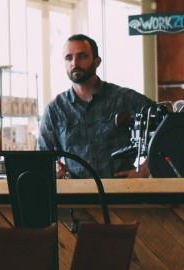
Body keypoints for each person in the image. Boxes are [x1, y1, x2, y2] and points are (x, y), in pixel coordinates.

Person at [38, 34, 155, 178]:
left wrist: (145, 169)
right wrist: (54, 168)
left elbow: (169, 131)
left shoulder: (124, 99)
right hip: (77, 195)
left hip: (122, 193)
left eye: (82, 56)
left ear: (97, 61)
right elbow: (41, 158)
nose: (74, 63)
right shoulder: (55, 110)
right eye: (69, 58)